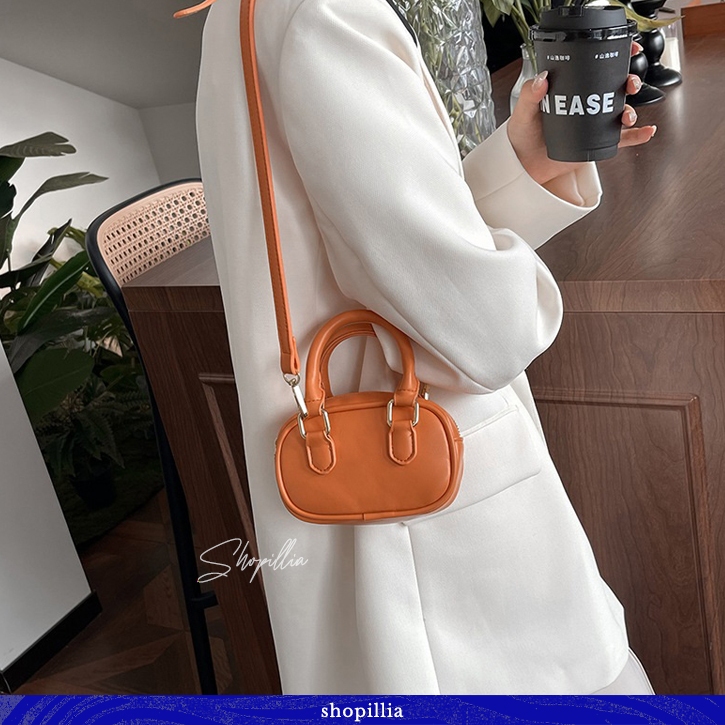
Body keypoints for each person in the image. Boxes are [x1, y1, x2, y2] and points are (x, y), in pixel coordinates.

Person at [189, 0, 657, 694]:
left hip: (376, 474)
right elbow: (480, 328)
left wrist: (519, 163)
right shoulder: (327, 16)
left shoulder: (248, 14)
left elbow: (378, 247)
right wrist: (514, 294)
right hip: (424, 512)